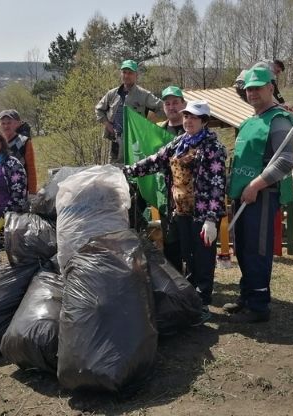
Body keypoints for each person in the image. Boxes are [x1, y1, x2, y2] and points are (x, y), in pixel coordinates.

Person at [124, 100, 227, 324]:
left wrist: (211, 218)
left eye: (194, 117)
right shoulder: (179, 142)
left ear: (204, 121)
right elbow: (156, 161)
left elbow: (217, 184)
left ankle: (203, 304)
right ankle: (191, 300)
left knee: (203, 259)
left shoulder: (213, 148)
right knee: (187, 255)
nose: (188, 120)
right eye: (186, 116)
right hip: (181, 211)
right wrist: (130, 170)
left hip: (203, 214)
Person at [225, 66, 293, 324]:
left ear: (271, 87)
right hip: (242, 196)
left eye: (257, 87)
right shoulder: (249, 122)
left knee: (257, 249)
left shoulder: (278, 120)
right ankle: (247, 297)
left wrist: (256, 185)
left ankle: (258, 306)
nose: (252, 92)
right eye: (248, 89)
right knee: (243, 249)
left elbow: (286, 161)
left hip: (263, 195)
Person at [95, 59, 163, 163]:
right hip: (116, 141)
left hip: (135, 142)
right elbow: (99, 109)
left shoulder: (144, 95)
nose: (126, 75)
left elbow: (162, 108)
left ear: (136, 75)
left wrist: (147, 127)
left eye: (130, 73)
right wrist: (108, 125)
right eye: (124, 72)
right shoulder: (112, 94)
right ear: (121, 74)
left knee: (134, 171)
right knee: (114, 171)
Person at [157, 85, 186, 272]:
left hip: (189, 197)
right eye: (167, 103)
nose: (172, 107)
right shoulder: (156, 132)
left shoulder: (192, 127)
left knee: (190, 241)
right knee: (171, 241)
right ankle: (177, 280)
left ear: (184, 104)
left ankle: (196, 284)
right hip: (166, 196)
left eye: (175, 102)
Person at [0, 109, 37, 194]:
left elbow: (31, 168)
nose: (6, 126)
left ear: (15, 124)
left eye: (9, 123)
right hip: (1, 189)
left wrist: (32, 192)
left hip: (20, 188)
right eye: (3, 123)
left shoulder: (24, 141)